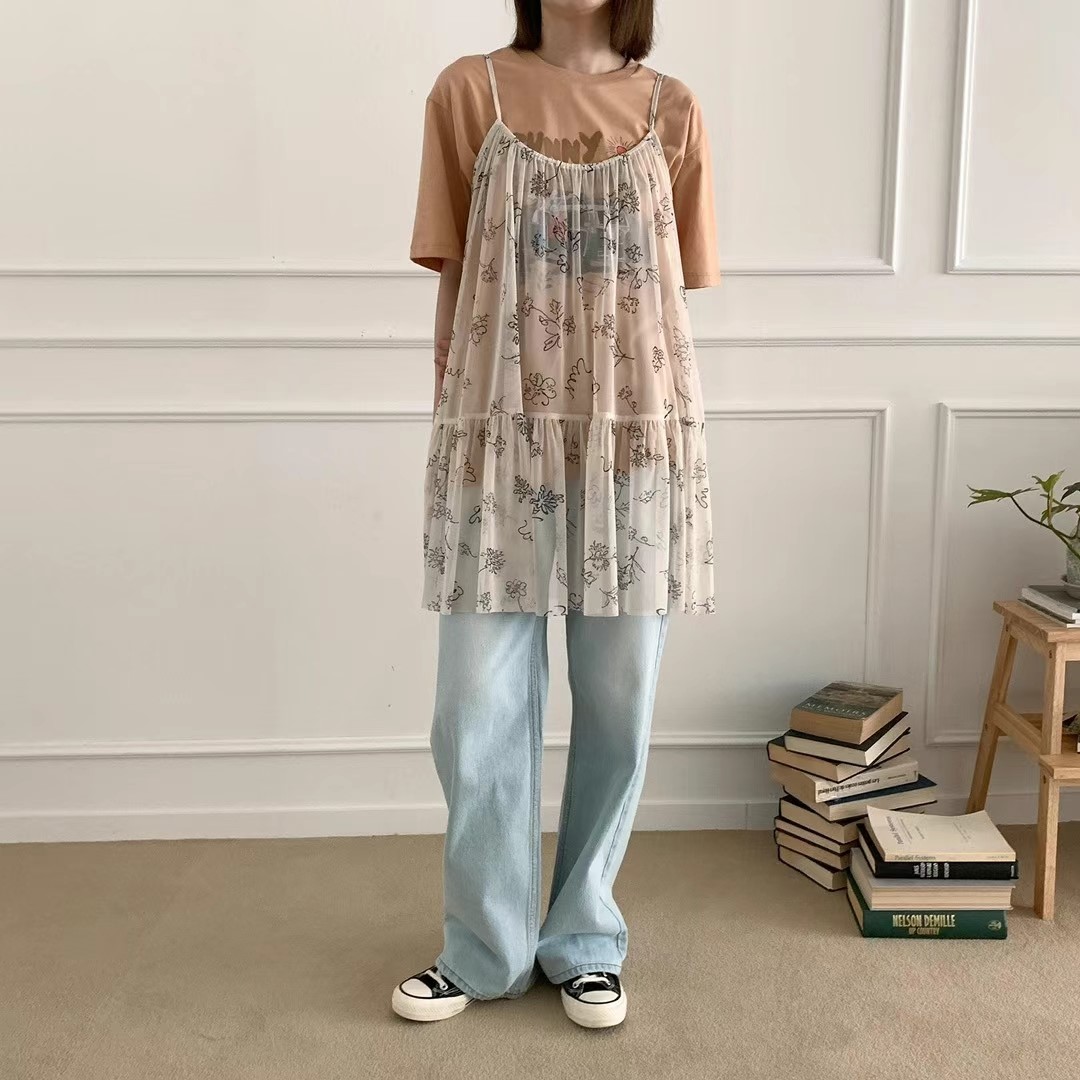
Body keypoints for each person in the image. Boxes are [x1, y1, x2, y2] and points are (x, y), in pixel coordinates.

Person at [393, 0, 721, 1029]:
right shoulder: (469, 94)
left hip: (635, 437)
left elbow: (671, 293)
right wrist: (453, 408)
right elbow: (455, 272)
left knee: (620, 701)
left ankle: (584, 937)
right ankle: (483, 948)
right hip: (498, 430)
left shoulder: (673, 110)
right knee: (474, 707)